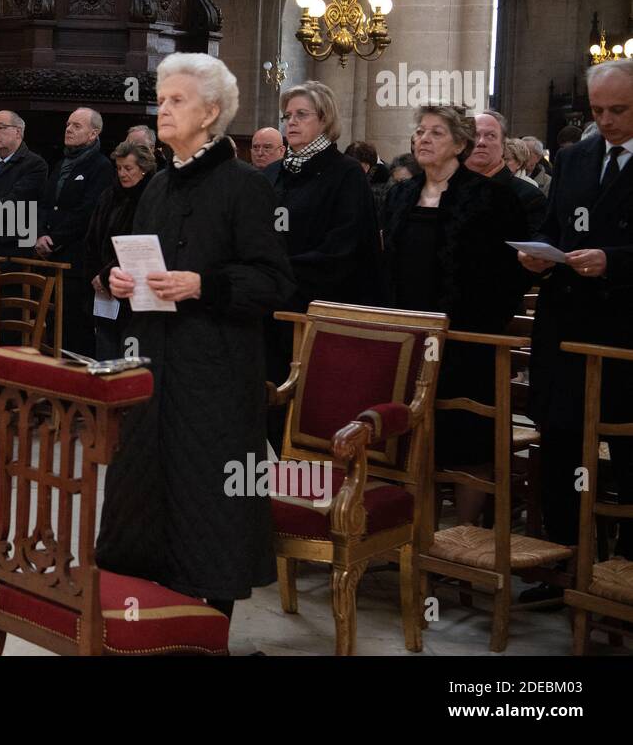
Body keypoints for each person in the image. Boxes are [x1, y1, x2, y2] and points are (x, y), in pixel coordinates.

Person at [101, 52, 295, 618]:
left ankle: (208, 632)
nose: (163, 110)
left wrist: (202, 285)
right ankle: (148, 623)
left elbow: (274, 281)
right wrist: (122, 281)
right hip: (152, 369)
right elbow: (146, 266)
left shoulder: (245, 186)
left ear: (211, 112)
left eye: (177, 100)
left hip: (214, 376)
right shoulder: (157, 186)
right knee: (143, 497)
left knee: (206, 505)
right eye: (161, 100)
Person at [381, 104, 530, 524]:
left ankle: (461, 537)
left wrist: (475, 322)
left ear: (461, 144)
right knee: (414, 439)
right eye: (420, 132)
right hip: (409, 337)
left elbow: (508, 274)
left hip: (465, 340)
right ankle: (419, 534)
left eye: (436, 133)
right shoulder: (400, 194)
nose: (423, 139)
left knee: (465, 438)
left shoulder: (491, 197)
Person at [521, 59, 633, 578]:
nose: (606, 120)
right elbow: (553, 226)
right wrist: (540, 256)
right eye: (598, 110)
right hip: (567, 325)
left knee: (628, 454)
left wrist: (613, 260)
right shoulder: (573, 157)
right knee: (562, 445)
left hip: (624, 330)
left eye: (619, 110)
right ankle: (564, 562)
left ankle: (623, 576)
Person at [264, 82, 384, 446]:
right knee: (271, 405)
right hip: (272, 311)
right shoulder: (273, 173)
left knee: (313, 415)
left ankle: (318, 495)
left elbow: (343, 248)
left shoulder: (345, 174)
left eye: (302, 115)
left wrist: (280, 270)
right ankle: (289, 491)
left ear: (325, 119)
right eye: (287, 116)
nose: (291, 122)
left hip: (321, 312)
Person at [36, 107, 114, 356]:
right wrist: (40, 234)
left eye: (76, 126)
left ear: (93, 134)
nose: (68, 129)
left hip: (76, 261)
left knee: (73, 330)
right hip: (50, 258)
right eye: (68, 124)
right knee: (51, 328)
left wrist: (55, 238)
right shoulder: (60, 164)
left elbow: (88, 211)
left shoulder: (101, 167)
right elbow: (45, 203)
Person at [85, 140, 155, 360]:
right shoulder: (109, 195)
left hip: (132, 290)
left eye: (129, 168)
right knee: (104, 351)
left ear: (143, 169)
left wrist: (107, 275)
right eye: (119, 168)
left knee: (129, 354)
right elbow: (93, 238)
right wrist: (97, 275)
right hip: (102, 288)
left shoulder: (151, 198)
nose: (123, 174)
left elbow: (140, 244)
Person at [464, 109, 547, 235]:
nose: (481, 142)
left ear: (503, 146)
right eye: (475, 135)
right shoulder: (445, 189)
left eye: (490, 136)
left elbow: (536, 245)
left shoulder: (528, 197)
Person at [0, 110, 48, 257]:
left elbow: (13, 203)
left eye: (1, 127)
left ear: (18, 132)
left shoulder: (34, 164)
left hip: (9, 248)